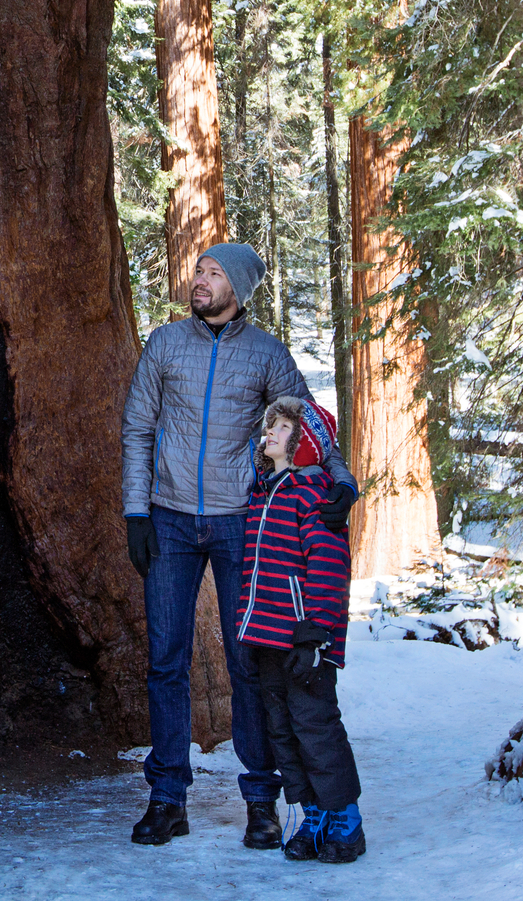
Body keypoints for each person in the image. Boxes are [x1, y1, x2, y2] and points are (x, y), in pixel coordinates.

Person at [119, 243, 358, 849]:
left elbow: (306, 420)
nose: (200, 280)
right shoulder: (166, 344)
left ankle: (261, 801)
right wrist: (136, 511)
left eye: (214, 272)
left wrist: (342, 480)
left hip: (239, 524)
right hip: (169, 519)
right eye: (198, 269)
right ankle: (168, 796)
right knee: (165, 661)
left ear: (240, 287)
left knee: (247, 664)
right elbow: (138, 426)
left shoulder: (266, 354)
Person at [241, 395, 364, 864]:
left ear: (307, 441)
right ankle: (313, 816)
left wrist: (316, 632)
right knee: (284, 731)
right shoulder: (264, 492)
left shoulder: (313, 495)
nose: (270, 432)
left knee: (316, 727)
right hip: (268, 638)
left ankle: (345, 821)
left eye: (284, 427)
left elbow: (329, 568)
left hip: (306, 639)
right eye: (270, 425)